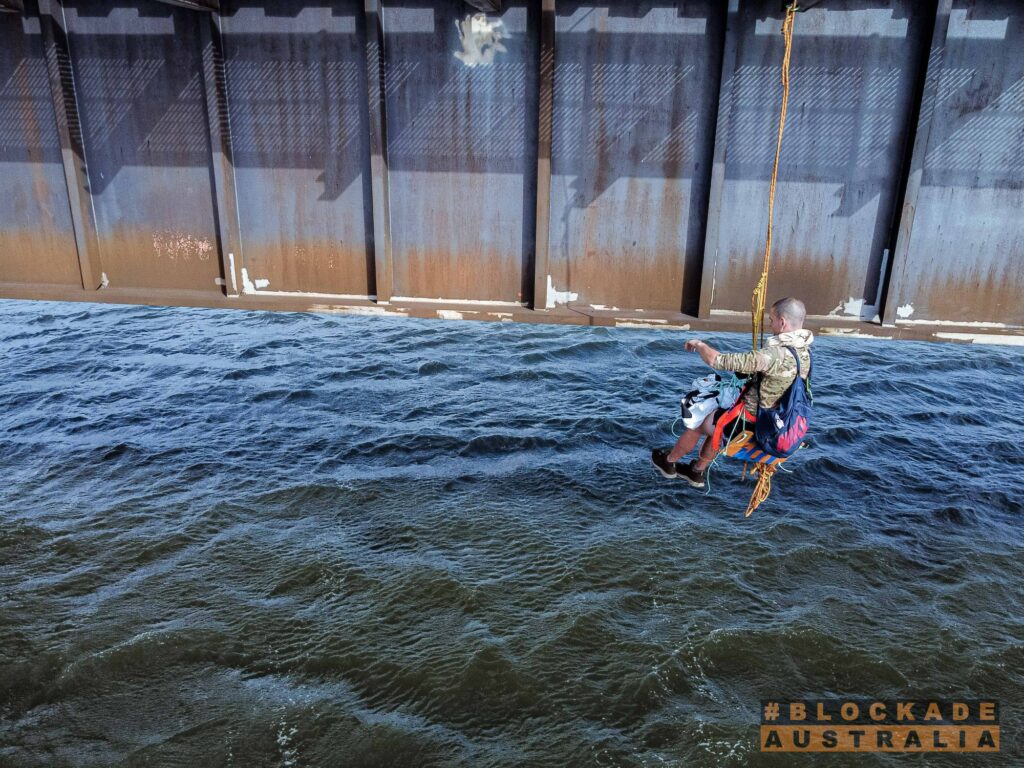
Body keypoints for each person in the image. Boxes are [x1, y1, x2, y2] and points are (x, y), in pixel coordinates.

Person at [651, 297, 813, 488]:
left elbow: (717, 361)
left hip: (747, 423)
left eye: (771, 320)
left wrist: (699, 344)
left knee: (699, 423)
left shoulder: (773, 355)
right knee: (717, 418)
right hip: (776, 422)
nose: (770, 326)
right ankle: (697, 471)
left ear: (782, 322)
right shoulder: (804, 354)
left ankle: (669, 462)